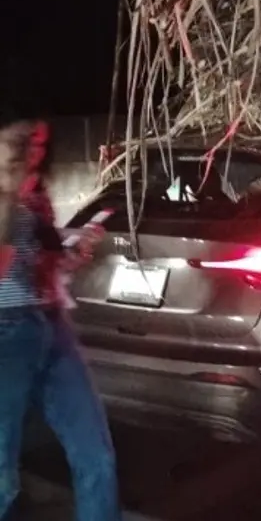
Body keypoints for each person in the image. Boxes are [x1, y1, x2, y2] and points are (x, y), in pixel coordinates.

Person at [0, 108, 120, 521]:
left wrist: (74, 252)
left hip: (51, 325)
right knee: (2, 476)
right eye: (25, 142)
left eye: (41, 142)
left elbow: (46, 263)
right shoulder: (10, 195)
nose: (36, 150)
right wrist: (8, 198)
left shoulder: (36, 197)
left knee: (96, 455)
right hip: (6, 331)